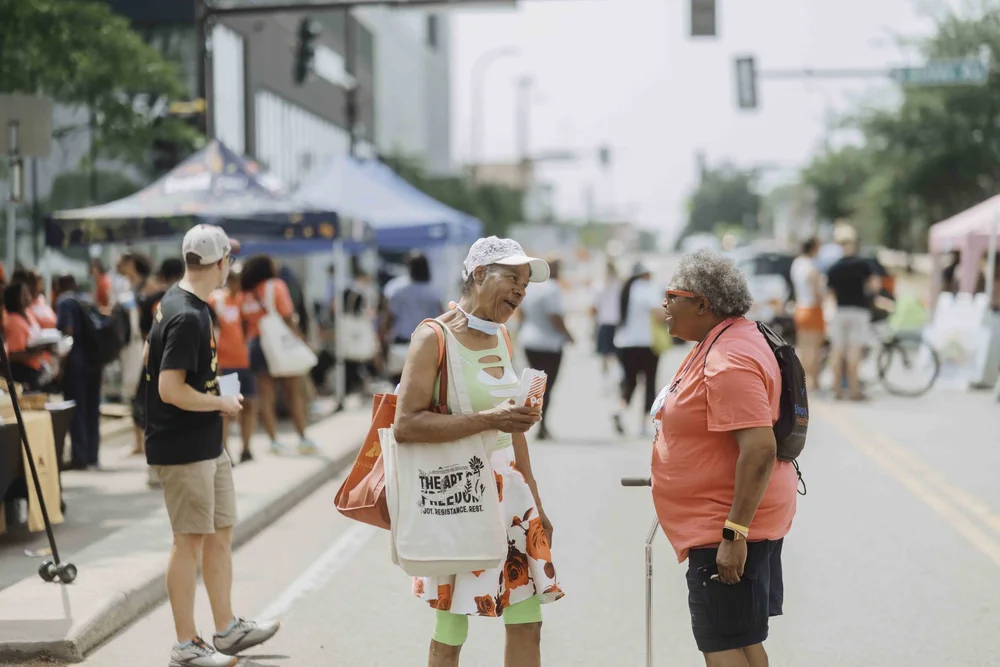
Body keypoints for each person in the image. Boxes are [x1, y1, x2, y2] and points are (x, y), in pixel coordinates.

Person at [394, 236, 563, 667]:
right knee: (451, 628)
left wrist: (537, 504)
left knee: (527, 620)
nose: (521, 291)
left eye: (525, 283)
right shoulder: (433, 338)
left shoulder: (503, 338)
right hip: (458, 495)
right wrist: (492, 420)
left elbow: (516, 431)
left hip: (511, 501)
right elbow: (406, 424)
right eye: (512, 278)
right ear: (479, 274)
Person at [653, 249, 797, 667]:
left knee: (722, 646)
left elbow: (759, 449)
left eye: (671, 295)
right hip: (729, 519)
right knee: (742, 640)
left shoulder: (728, 358)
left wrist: (733, 535)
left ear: (702, 303)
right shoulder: (723, 338)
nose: (664, 305)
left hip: (728, 525)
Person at [145, 226, 279, 667]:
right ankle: (187, 644)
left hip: (204, 442)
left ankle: (226, 629)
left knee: (220, 534)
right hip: (183, 446)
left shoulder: (183, 303)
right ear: (218, 263)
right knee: (188, 542)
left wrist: (216, 399)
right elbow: (168, 388)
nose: (231, 268)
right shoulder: (187, 314)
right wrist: (219, 401)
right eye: (229, 260)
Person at [239, 255, 316, 455]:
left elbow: (244, 323)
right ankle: (303, 438)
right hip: (280, 344)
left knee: (266, 396)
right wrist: (300, 339)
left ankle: (273, 441)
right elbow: (288, 316)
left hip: (256, 345)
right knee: (294, 393)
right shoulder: (276, 286)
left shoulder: (245, 293)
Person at [517, 256, 574, 440]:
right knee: (547, 387)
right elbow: (555, 316)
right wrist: (568, 334)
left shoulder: (531, 288)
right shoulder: (554, 289)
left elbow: (521, 313)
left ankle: (531, 422)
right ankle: (541, 424)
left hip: (529, 340)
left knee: (534, 385)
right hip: (549, 344)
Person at [56, 275, 105, 470]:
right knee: (93, 409)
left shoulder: (64, 302)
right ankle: (93, 454)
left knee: (77, 410)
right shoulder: (87, 299)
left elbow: (68, 331)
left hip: (76, 364)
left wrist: (59, 366)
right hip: (95, 362)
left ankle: (80, 457)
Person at [210, 263, 257, 463]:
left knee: (249, 405)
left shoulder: (246, 301)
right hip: (226, 363)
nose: (236, 284)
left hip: (246, 363)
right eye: (234, 279)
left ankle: (247, 448)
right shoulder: (217, 301)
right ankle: (225, 450)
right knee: (227, 409)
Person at [826, 225, 879, 401]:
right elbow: (874, 285)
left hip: (841, 311)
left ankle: (836, 390)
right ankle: (854, 391)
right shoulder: (864, 264)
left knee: (837, 351)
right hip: (859, 311)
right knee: (854, 351)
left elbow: (830, 294)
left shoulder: (834, 268)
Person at [612, 261, 663, 436]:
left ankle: (619, 410)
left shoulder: (627, 289)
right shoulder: (646, 288)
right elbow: (658, 313)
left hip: (624, 343)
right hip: (646, 343)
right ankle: (643, 426)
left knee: (630, 382)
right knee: (649, 383)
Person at [383, 251, 444, 386]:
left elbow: (388, 318)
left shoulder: (395, 289)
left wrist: (382, 341)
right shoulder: (434, 292)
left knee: (398, 389)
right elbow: (441, 320)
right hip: (426, 347)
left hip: (400, 345)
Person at [790, 238, 825, 391]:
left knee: (803, 347)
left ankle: (800, 380)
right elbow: (817, 292)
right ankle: (812, 381)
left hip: (800, 308)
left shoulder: (796, 264)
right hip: (813, 309)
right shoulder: (811, 267)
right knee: (814, 348)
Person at [2, 282, 48, 391]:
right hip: (22, 372)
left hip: (35, 368)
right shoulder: (13, 320)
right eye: (24, 294)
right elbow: (13, 355)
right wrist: (34, 352)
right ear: (16, 298)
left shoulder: (29, 314)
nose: (28, 296)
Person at [591, 259, 621, 383]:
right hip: (617, 322)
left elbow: (593, 307)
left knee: (604, 354)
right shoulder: (619, 286)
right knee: (616, 353)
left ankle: (606, 379)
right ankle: (617, 376)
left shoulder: (600, 286)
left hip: (604, 322)